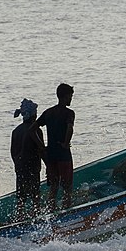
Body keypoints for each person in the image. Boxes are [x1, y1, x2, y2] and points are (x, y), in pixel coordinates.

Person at [31, 83, 75, 211]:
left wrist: (42, 146)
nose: (71, 99)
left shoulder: (48, 113)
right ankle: (66, 209)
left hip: (51, 154)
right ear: (65, 97)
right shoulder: (69, 113)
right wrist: (66, 143)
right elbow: (70, 128)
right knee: (67, 186)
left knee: (54, 185)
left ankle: (51, 209)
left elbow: (31, 129)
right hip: (63, 154)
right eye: (70, 96)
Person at [10, 98, 44, 220]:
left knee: (21, 195)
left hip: (20, 166)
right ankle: (36, 214)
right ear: (33, 115)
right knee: (35, 194)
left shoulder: (16, 131)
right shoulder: (36, 130)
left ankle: (20, 215)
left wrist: (17, 164)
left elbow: (13, 151)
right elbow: (41, 150)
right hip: (32, 166)